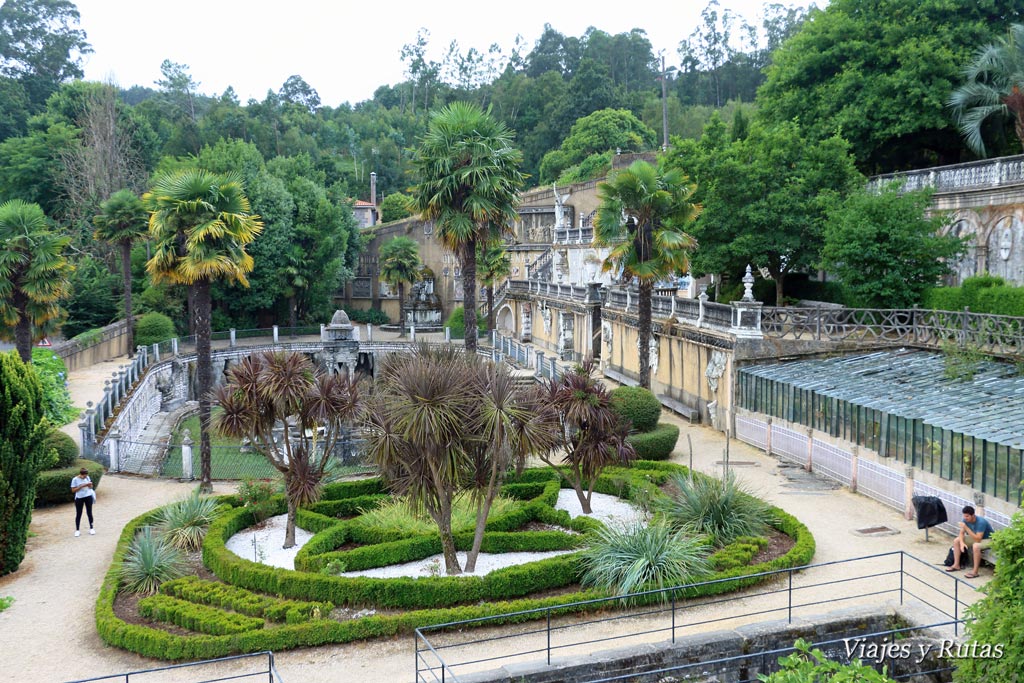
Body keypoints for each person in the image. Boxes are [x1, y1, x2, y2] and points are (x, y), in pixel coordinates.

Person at [946, 505, 993, 578]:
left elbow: (978, 539)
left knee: (976, 546)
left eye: (967, 516)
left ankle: (975, 571)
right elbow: (961, 533)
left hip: (988, 539)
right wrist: (961, 543)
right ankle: (956, 565)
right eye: (964, 516)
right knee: (957, 540)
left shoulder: (981, 522)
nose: (965, 518)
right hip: (976, 537)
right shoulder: (965, 520)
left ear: (973, 515)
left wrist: (966, 528)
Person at [70, 467, 95, 537]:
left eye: (86, 476)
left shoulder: (87, 478)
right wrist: (81, 486)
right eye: (84, 476)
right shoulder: (75, 479)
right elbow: (73, 490)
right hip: (79, 498)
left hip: (88, 496)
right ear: (81, 474)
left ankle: (91, 528)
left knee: (89, 512)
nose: (85, 477)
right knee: (79, 513)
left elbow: (91, 487)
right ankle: (77, 530)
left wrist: (90, 485)